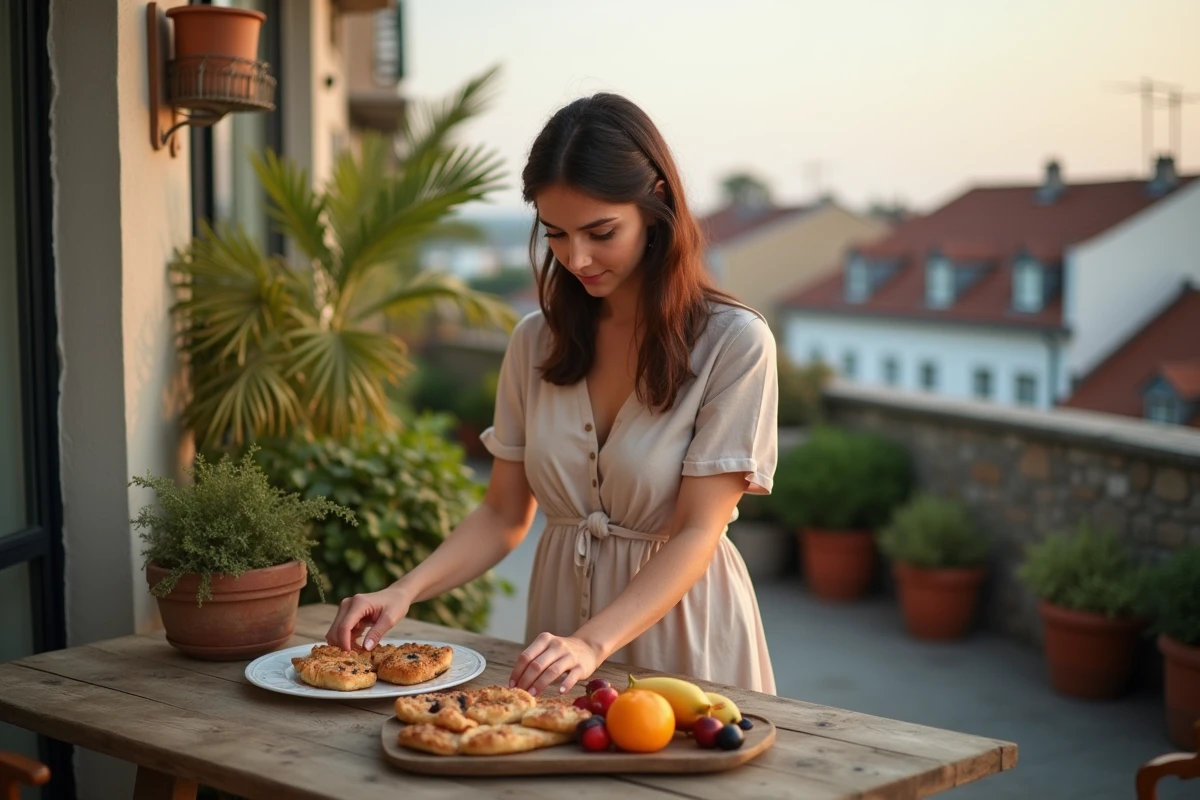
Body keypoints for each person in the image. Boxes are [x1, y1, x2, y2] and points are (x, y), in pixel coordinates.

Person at [326, 93, 779, 697]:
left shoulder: (735, 343)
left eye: (601, 232)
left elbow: (700, 530)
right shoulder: (535, 344)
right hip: (562, 641)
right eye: (556, 234)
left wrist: (594, 641)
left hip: (684, 634)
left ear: (658, 206)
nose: (577, 258)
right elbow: (503, 514)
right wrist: (401, 591)